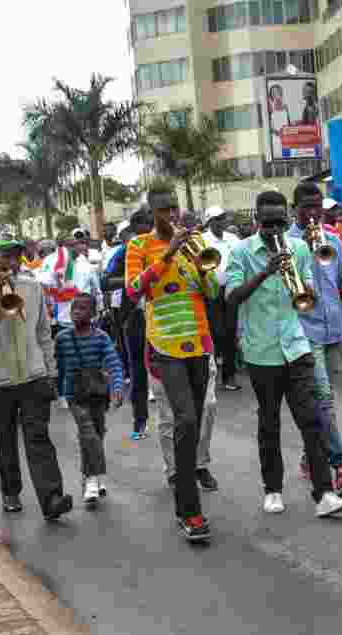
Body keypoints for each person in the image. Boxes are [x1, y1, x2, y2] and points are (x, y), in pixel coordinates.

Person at [226, 191, 342, 518]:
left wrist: (303, 286)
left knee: (312, 420)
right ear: (257, 220)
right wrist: (265, 272)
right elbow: (232, 297)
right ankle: (273, 489)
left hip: (297, 346)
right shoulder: (241, 251)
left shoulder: (298, 248)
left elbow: (308, 295)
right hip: (261, 351)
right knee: (269, 423)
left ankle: (324, 493)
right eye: (268, 223)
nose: (274, 230)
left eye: (280, 223)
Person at [125, 183, 221, 543]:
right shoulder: (139, 245)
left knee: (192, 425)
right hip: (165, 345)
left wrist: (201, 266)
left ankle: (186, 499)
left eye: (174, 208)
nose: (171, 214)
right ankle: (189, 511)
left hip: (199, 342)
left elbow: (213, 292)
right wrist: (167, 254)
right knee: (185, 420)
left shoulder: (194, 242)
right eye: (163, 209)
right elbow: (134, 289)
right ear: (152, 213)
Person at [0, 234, 73, 520]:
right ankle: (11, 492)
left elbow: (43, 333)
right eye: (5, 255)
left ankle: (52, 498)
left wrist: (51, 371)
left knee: (38, 437)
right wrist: (0, 300)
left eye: (15, 255)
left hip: (33, 376)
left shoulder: (32, 286)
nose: (11, 261)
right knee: (6, 439)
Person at [289, 182, 342, 496]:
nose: (314, 213)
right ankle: (340, 467)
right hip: (304, 332)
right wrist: (303, 250)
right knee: (324, 399)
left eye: (318, 206)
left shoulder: (333, 240)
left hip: (333, 331)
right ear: (295, 209)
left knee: (320, 401)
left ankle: (308, 456)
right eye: (307, 207)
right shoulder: (286, 243)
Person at [54, 294, 123, 508]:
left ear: (93, 314)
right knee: (88, 433)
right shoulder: (62, 338)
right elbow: (58, 367)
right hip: (74, 395)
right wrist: (58, 393)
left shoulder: (101, 337)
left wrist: (117, 388)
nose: (77, 311)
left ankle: (90, 475)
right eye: (74, 308)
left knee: (97, 434)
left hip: (97, 395)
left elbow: (114, 363)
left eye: (83, 308)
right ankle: (92, 480)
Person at [104, 209, 154, 439]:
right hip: (135, 316)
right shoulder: (125, 251)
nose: (149, 231)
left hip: (163, 314)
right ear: (134, 229)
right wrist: (135, 280)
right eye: (145, 227)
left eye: (152, 226)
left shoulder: (165, 246)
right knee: (138, 370)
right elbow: (105, 282)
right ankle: (139, 422)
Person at [202, 206, 242, 392]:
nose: (221, 222)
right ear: (209, 222)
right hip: (211, 291)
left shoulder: (233, 239)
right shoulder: (203, 240)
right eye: (217, 219)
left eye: (223, 218)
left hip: (231, 290)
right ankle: (210, 372)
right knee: (215, 332)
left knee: (231, 332)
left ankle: (229, 376)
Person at [38, 227, 101, 337]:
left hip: (86, 319)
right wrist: (49, 307)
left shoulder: (84, 262)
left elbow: (95, 289)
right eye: (70, 245)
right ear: (61, 248)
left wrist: (98, 309)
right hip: (62, 320)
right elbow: (43, 286)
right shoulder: (50, 261)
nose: (75, 248)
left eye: (76, 244)